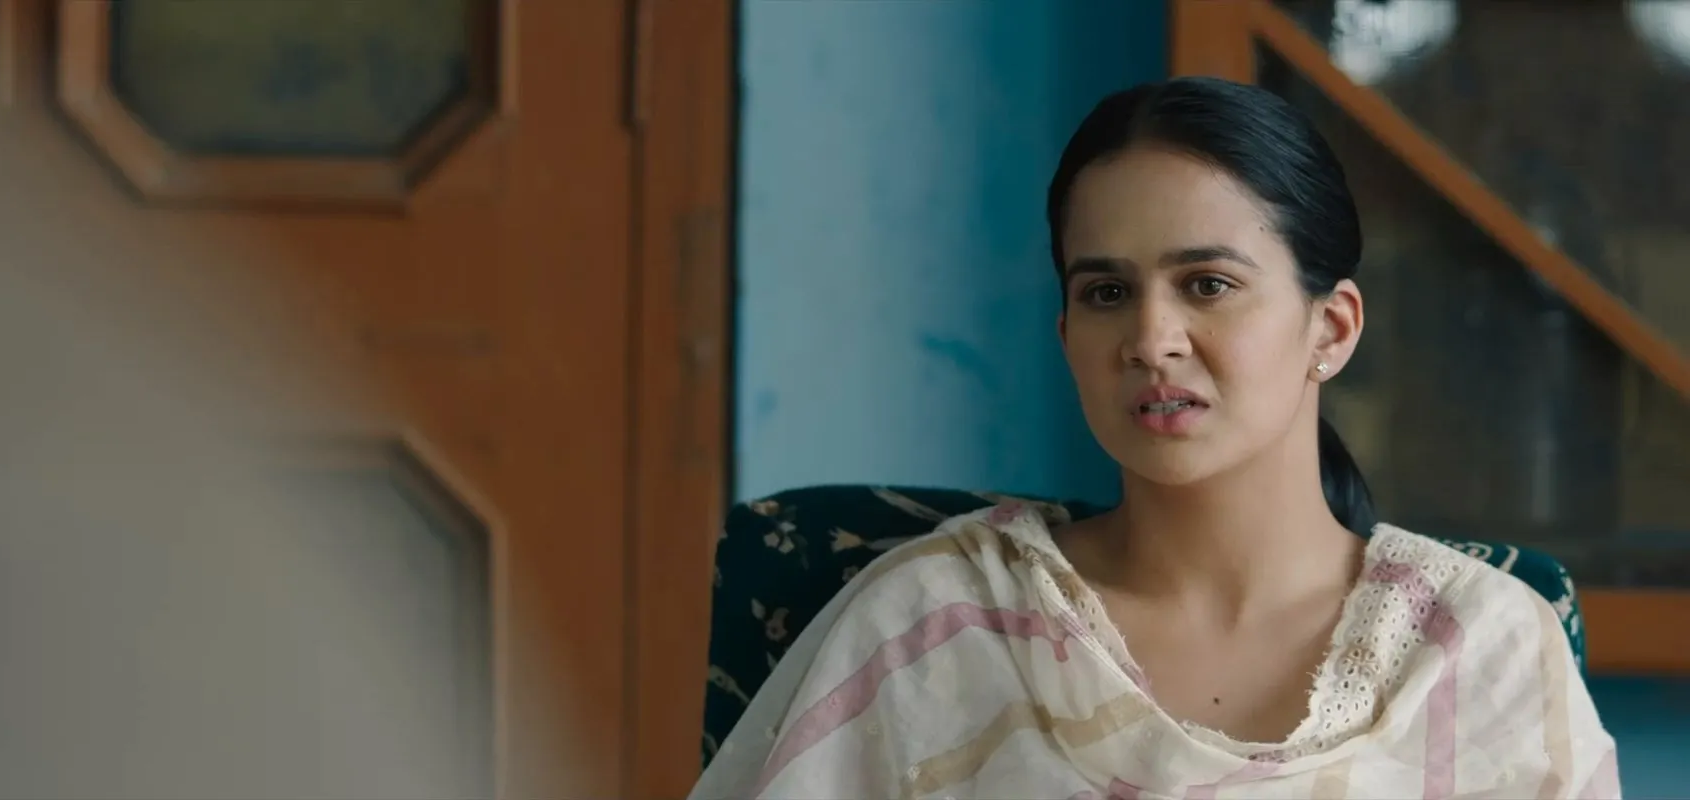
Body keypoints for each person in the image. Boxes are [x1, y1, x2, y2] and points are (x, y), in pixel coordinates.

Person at [689, 77, 1619, 800]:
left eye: (1208, 284)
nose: (1150, 339)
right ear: (1067, 336)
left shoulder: (1484, 646)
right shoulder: (930, 626)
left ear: (1331, 329)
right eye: (1106, 293)